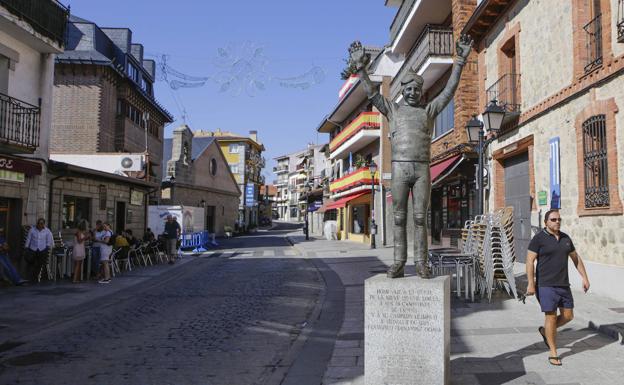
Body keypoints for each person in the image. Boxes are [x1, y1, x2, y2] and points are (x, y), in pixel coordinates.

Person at [351, 35, 473, 278]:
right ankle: (398, 262)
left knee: (420, 218)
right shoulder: (393, 110)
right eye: (408, 89)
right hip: (399, 168)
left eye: (417, 89)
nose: (413, 92)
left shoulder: (428, 111)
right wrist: (361, 69)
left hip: (422, 169)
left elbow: (448, 92)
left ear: (421, 91)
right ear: (402, 91)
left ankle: (421, 263)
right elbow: (372, 94)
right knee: (398, 218)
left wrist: (459, 61)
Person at [525, 209, 590, 366]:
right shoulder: (538, 239)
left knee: (568, 316)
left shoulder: (566, 238)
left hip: (563, 284)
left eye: (559, 219)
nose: (557, 222)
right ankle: (553, 352)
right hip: (545, 285)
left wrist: (585, 277)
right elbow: (529, 261)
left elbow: (575, 258)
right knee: (551, 317)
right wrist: (531, 284)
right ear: (546, 222)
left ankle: (545, 331)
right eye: (553, 219)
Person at [24, 218, 54, 282]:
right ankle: (28, 277)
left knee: (39, 264)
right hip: (33, 248)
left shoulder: (47, 231)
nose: (40, 225)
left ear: (43, 224)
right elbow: (28, 239)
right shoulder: (32, 230)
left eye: (41, 223)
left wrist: (47, 248)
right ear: (37, 224)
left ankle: (35, 277)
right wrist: (26, 247)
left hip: (42, 249)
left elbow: (48, 241)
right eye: (39, 223)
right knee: (31, 263)